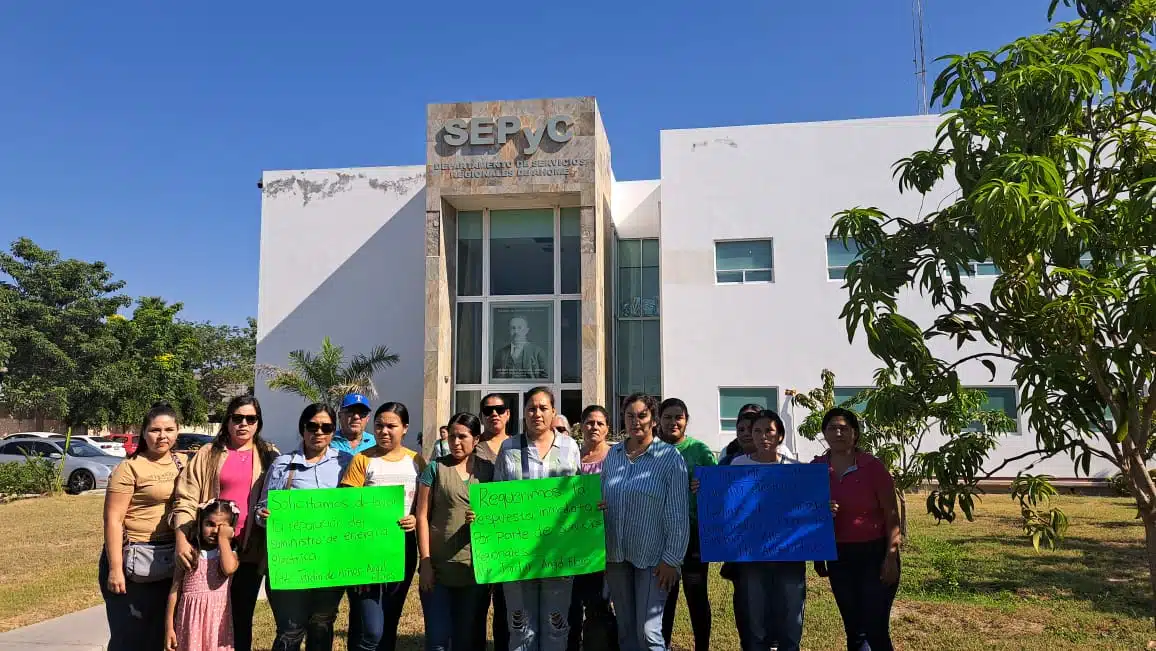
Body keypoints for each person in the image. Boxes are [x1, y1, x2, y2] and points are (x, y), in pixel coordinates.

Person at [172, 395, 278, 651]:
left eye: (250, 419)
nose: (244, 424)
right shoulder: (209, 454)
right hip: (210, 551)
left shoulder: (269, 455)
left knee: (241, 618)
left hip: (249, 550)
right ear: (227, 420)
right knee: (211, 617)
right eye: (237, 418)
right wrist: (181, 538)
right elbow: (185, 497)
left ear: (258, 423)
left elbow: (281, 496)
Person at [256, 403, 352, 651]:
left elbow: (356, 509)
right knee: (290, 630)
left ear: (333, 431)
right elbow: (262, 507)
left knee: (322, 624)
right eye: (312, 426)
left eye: (326, 427)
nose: (318, 432)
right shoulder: (283, 464)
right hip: (291, 561)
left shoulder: (347, 463)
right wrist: (264, 515)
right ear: (302, 429)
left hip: (331, 561)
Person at [494, 387, 582, 651]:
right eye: (532, 408)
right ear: (523, 413)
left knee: (556, 626)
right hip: (518, 554)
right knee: (521, 629)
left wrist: (591, 505)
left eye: (543, 408)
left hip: (559, 553)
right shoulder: (509, 448)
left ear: (554, 412)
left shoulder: (570, 447)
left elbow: (578, 494)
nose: (537, 413)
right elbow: (497, 496)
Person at [601, 393, 688, 651]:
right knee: (626, 631)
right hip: (616, 556)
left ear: (653, 420)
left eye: (642, 416)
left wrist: (672, 559)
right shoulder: (613, 455)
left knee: (648, 632)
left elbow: (678, 513)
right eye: (630, 416)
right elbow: (604, 498)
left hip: (654, 559)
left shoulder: (669, 458)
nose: (635, 421)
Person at [813, 408, 901, 651]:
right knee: (854, 629)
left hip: (875, 554)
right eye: (832, 428)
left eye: (844, 428)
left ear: (855, 434)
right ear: (824, 433)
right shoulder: (816, 469)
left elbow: (892, 515)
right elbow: (803, 510)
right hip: (839, 556)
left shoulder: (873, 468)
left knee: (875, 628)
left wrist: (891, 556)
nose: (838, 432)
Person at [101, 402, 185, 651]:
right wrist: (116, 569)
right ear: (144, 433)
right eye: (155, 430)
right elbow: (113, 520)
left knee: (160, 635)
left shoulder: (182, 462)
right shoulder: (129, 468)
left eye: (168, 430)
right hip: (134, 559)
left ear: (177, 431)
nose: (162, 436)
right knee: (130, 637)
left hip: (169, 559)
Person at [340, 402, 424, 651]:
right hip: (366, 547)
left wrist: (416, 519)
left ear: (405, 428)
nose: (384, 431)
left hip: (403, 547)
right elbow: (347, 507)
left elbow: (424, 505)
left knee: (390, 619)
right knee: (369, 627)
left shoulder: (417, 461)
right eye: (379, 426)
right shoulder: (362, 460)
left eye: (391, 426)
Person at [416, 412, 496, 651]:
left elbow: (499, 513)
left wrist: (483, 517)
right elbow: (422, 515)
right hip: (439, 567)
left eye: (462, 436)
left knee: (466, 638)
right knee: (438, 640)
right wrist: (426, 562)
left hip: (474, 569)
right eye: (452, 437)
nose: (456, 442)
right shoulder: (435, 469)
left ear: (476, 439)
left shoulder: (488, 471)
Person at [731, 410, 805, 651]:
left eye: (769, 431)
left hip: (789, 554)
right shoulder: (737, 465)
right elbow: (726, 504)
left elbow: (805, 508)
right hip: (751, 555)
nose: (763, 436)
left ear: (780, 436)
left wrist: (823, 508)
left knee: (791, 613)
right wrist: (704, 487)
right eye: (757, 431)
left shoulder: (795, 469)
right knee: (755, 613)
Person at [656, 398, 715, 651]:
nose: (673, 422)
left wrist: (706, 486)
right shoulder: (652, 449)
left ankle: (702, 646)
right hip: (660, 535)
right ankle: (663, 645)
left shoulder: (700, 450)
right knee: (664, 598)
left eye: (678, 417)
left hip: (694, 534)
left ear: (686, 420)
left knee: (696, 595)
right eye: (667, 417)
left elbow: (718, 489)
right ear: (659, 420)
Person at [165, 499, 241, 651]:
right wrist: (169, 628)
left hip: (217, 624)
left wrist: (224, 539)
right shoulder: (189, 552)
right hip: (190, 624)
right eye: (210, 524)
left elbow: (229, 569)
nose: (214, 530)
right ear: (200, 523)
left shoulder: (228, 553)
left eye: (221, 527)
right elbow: (175, 591)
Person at [567, 405, 614, 651]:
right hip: (572, 543)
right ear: (581, 426)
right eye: (589, 422)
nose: (594, 427)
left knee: (598, 604)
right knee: (571, 604)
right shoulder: (571, 456)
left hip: (603, 542)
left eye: (599, 423)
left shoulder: (616, 457)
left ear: (607, 428)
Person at [474, 394, 513, 651]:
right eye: (488, 410)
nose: (494, 414)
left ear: (508, 413)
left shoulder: (518, 446)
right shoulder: (472, 446)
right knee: (476, 605)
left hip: (511, 537)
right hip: (478, 537)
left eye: (499, 409)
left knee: (506, 605)